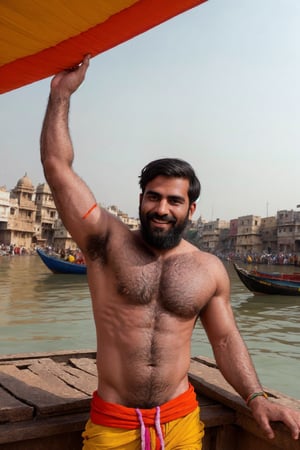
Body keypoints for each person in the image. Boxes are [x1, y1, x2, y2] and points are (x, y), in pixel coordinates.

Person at [40, 55, 300, 450]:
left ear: (190, 210)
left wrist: (257, 398)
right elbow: (58, 166)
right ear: (141, 199)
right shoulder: (106, 243)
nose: (162, 209)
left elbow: (226, 340)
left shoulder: (208, 269)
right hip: (113, 424)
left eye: (174, 201)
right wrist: (60, 95)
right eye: (153, 197)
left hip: (181, 421)